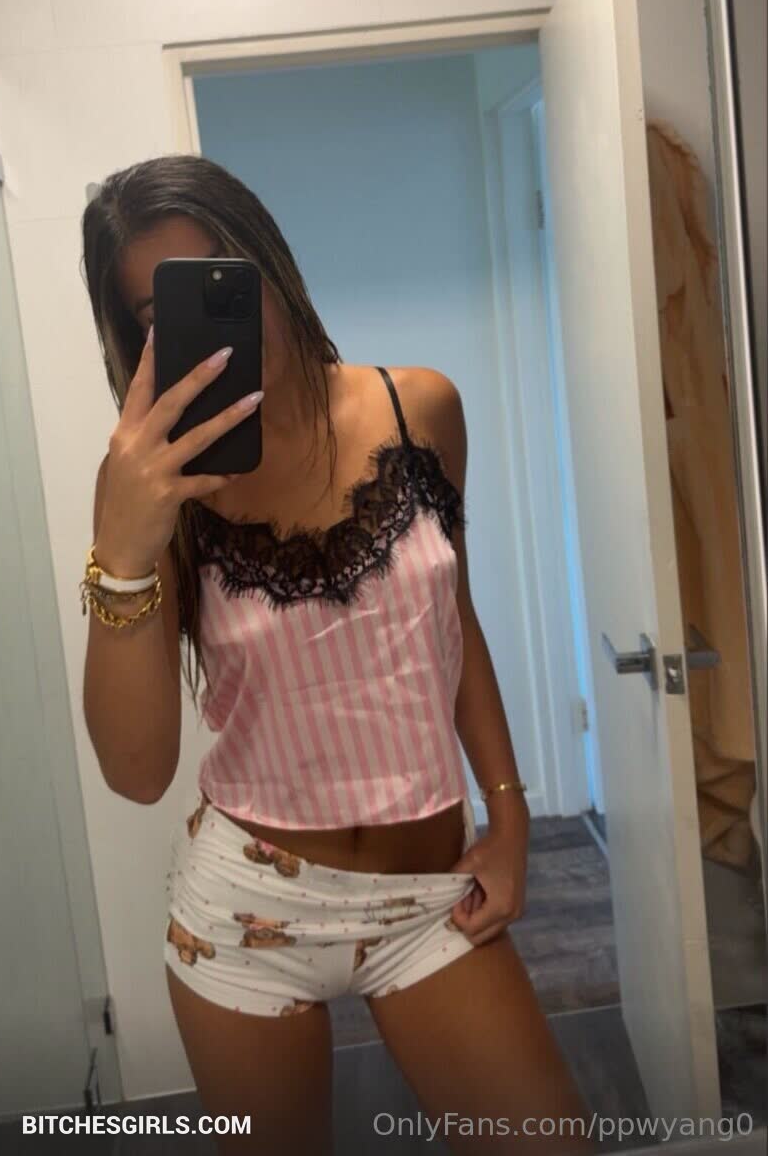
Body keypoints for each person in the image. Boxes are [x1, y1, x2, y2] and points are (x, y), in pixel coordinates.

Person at [80, 155, 597, 1155]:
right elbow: (137, 773)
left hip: (428, 893)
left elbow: (452, 619)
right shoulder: (153, 492)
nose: (217, 322)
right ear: (139, 340)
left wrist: (511, 813)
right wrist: (126, 549)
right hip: (246, 913)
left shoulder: (420, 409)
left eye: (226, 276)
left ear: (270, 258)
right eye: (164, 312)